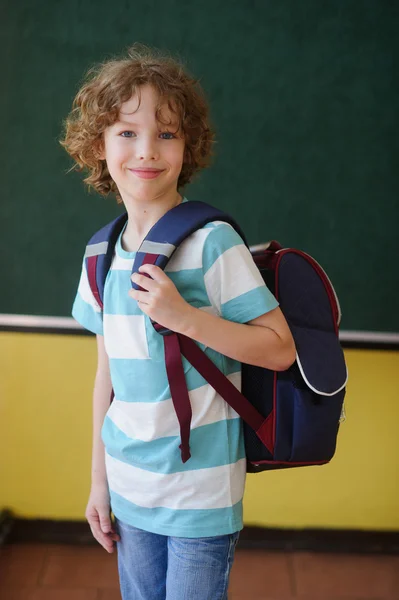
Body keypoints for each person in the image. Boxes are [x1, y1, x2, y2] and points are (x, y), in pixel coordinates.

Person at [61, 43, 296, 600]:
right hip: (128, 481)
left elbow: (279, 349)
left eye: (167, 134)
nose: (147, 151)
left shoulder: (212, 243)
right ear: (99, 145)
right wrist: (99, 482)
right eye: (127, 132)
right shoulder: (102, 254)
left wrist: (184, 318)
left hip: (201, 492)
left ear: (188, 147)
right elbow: (107, 378)